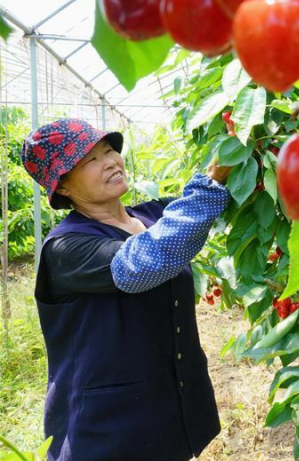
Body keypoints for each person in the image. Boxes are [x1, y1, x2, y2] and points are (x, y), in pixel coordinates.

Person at [21, 118, 231, 461]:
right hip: (109, 428)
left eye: (109, 150)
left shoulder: (152, 215)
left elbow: (198, 208)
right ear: (63, 187)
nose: (109, 162)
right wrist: (211, 183)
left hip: (167, 409)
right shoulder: (66, 248)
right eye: (89, 160)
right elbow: (143, 263)